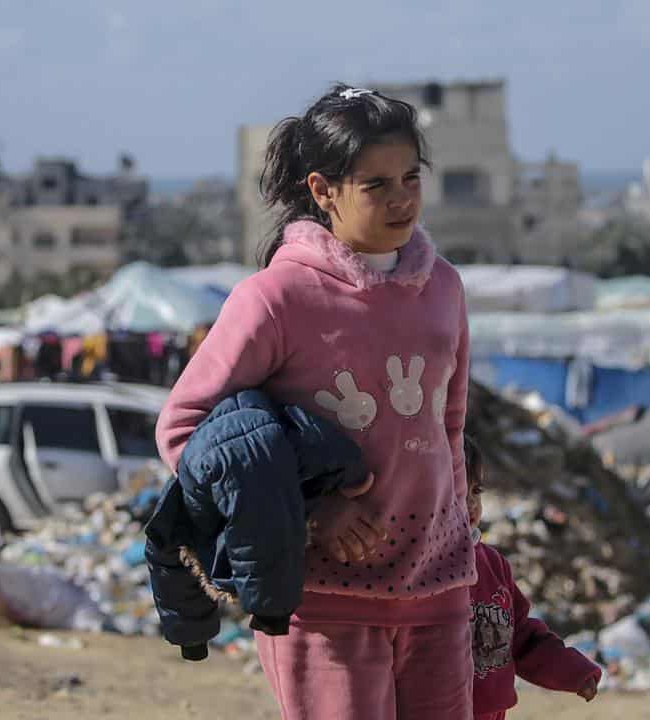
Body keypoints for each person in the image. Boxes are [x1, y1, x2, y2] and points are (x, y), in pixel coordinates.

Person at [155, 83, 474, 719]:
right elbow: (185, 431)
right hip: (324, 594)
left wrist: (464, 536)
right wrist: (307, 511)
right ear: (322, 191)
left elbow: (450, 425)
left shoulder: (443, 287)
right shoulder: (275, 298)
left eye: (411, 177)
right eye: (375, 185)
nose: (401, 198)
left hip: (440, 587)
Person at [463, 436, 602, 719]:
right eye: (454, 492)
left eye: (475, 491)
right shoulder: (420, 571)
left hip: (490, 712)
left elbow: (521, 636)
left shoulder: (493, 565)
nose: (469, 503)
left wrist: (572, 671)